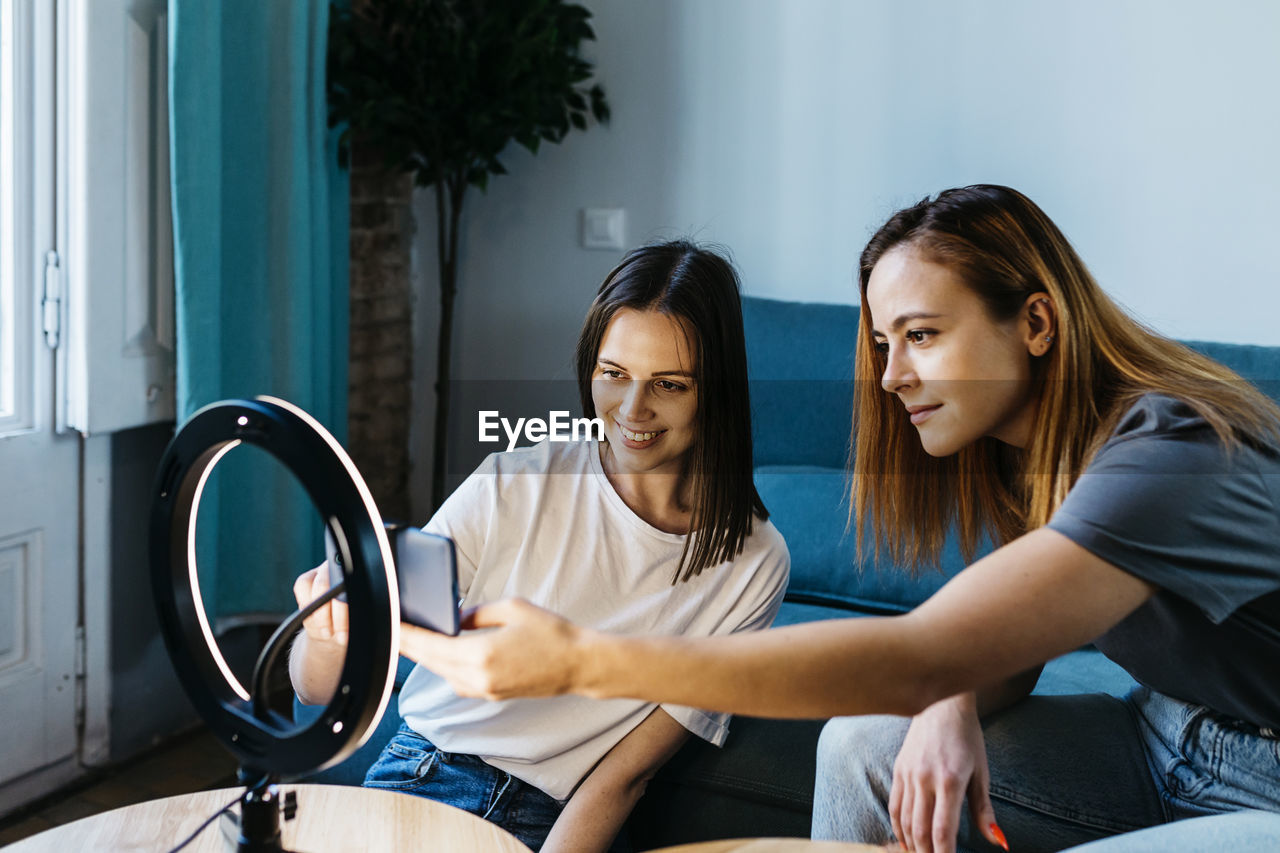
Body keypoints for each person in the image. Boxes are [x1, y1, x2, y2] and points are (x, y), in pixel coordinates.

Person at [399, 186, 1280, 852]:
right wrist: (951, 699)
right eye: (884, 342)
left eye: (923, 335)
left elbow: (922, 651)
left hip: (1263, 782)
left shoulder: (1170, 454)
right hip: (1167, 725)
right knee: (870, 745)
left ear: (1037, 321)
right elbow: (993, 653)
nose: (891, 376)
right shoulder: (1034, 457)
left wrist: (581, 660)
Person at [288, 240, 789, 853]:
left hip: (545, 817)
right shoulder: (515, 480)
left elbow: (626, 775)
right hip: (419, 771)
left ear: (716, 390)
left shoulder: (754, 565)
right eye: (614, 375)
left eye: (669, 384)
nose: (633, 411)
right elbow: (317, 690)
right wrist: (323, 634)